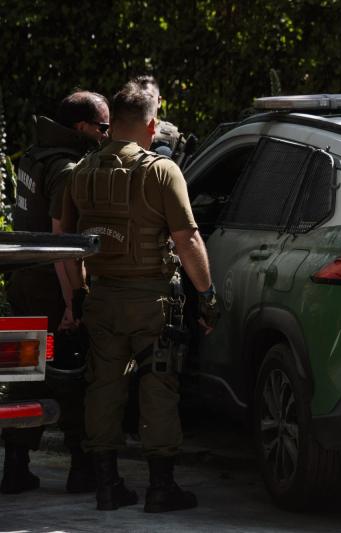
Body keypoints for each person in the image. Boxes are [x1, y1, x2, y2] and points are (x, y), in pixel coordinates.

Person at [60, 82, 219, 512]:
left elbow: (66, 243)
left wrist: (75, 300)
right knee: (158, 387)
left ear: (112, 121)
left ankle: (108, 486)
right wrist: (207, 297)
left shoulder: (81, 171)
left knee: (103, 389)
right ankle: (161, 488)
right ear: (151, 123)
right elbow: (187, 241)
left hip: (102, 298)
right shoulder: (160, 171)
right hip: (152, 302)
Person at [1, 90, 109, 495]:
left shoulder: (33, 155)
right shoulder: (66, 168)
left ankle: (15, 466)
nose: (107, 133)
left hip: (24, 283)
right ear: (82, 128)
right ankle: (80, 468)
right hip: (53, 290)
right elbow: (63, 245)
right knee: (71, 376)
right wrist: (72, 306)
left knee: (23, 376)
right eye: (103, 126)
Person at [131, 75, 188, 164]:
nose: (144, 102)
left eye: (148, 97)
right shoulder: (124, 131)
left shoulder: (173, 136)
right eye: (139, 98)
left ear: (159, 101)